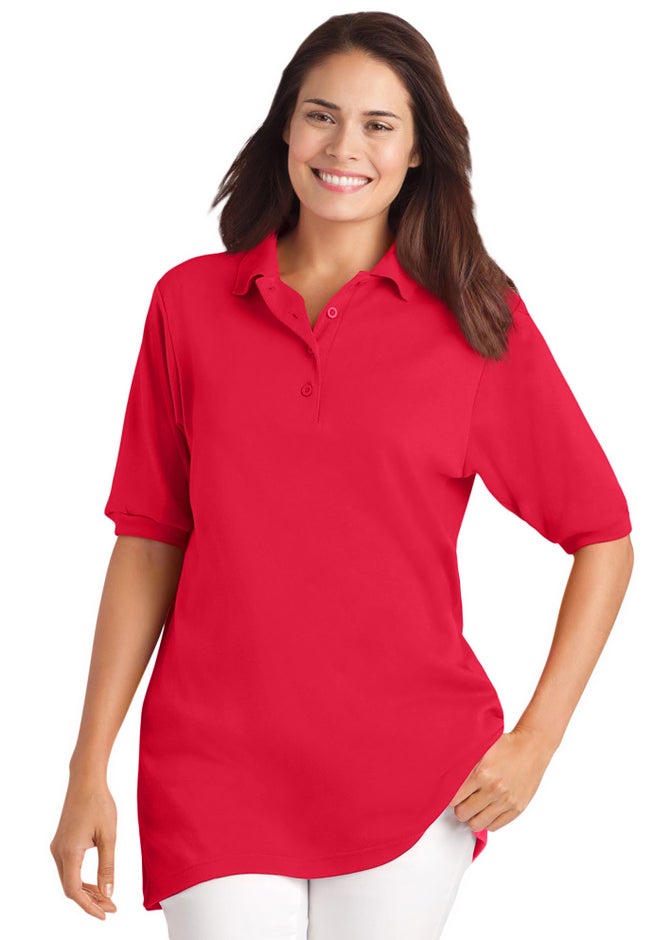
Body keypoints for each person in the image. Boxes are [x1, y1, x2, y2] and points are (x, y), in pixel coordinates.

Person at [50, 11, 634, 939]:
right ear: (285, 125)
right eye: (320, 115)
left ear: (418, 150)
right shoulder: (188, 305)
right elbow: (150, 539)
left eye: (377, 125)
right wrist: (88, 767)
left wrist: (538, 738)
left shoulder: (475, 320)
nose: (343, 147)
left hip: (410, 770)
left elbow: (601, 535)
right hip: (212, 761)